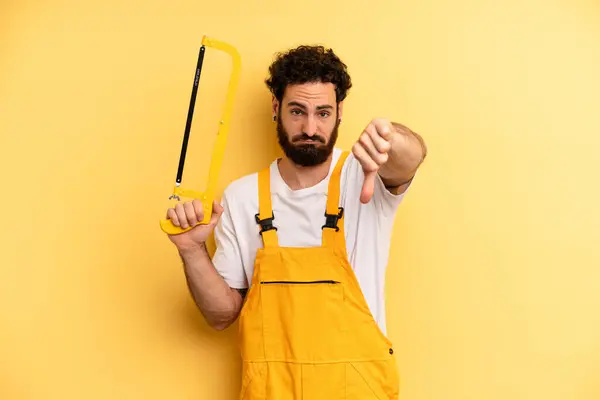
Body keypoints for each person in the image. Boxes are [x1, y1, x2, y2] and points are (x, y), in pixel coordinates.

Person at [165, 44, 427, 399]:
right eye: (297, 111)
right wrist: (191, 249)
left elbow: (410, 160)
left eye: (322, 113)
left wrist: (389, 139)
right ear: (277, 109)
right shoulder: (242, 198)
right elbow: (221, 315)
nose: (310, 127)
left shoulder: (364, 175)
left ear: (339, 113)